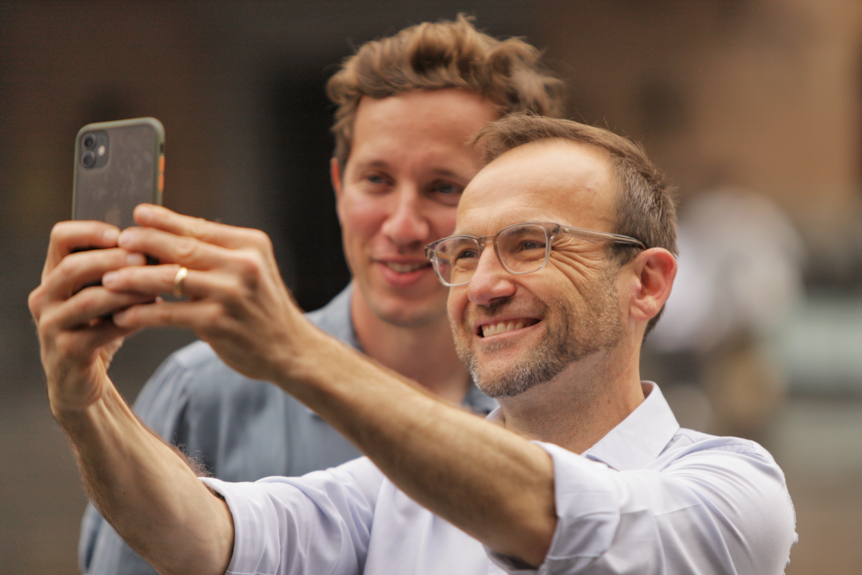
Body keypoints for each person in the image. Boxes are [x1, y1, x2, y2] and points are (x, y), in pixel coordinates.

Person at [31, 113, 796, 574]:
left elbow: (547, 513)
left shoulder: (732, 489)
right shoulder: (387, 492)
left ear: (649, 283)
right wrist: (87, 399)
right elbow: (199, 535)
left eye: (530, 244)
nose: (483, 286)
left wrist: (294, 346)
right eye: (463, 256)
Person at [74, 15, 566, 574]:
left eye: (443, 187)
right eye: (376, 180)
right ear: (338, 186)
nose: (402, 226)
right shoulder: (202, 392)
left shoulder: (548, 406)